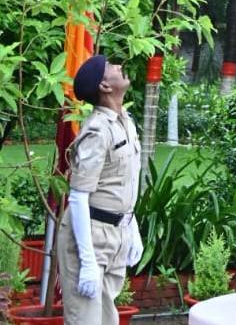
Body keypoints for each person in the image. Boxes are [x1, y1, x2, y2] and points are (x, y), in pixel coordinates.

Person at [57, 55, 143, 325]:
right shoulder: (97, 131)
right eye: (110, 67)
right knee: (85, 320)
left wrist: (132, 226)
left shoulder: (125, 122)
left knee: (107, 320)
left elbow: (122, 184)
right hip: (90, 235)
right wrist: (88, 262)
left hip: (116, 234)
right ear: (105, 87)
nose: (119, 66)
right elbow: (79, 197)